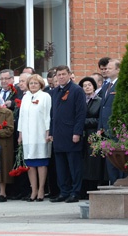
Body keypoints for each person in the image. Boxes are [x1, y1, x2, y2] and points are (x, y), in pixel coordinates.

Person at [49, 66, 86, 203]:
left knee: (74, 166)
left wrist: (77, 132)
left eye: (64, 74)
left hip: (71, 134)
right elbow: (53, 114)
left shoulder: (76, 90)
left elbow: (80, 114)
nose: (61, 77)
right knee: (61, 166)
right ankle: (64, 191)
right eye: (59, 75)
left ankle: (75, 192)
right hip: (58, 134)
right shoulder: (55, 91)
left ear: (70, 75)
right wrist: (51, 132)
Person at [18, 74, 52, 201]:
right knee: (30, 164)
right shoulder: (26, 97)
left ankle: (42, 189)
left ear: (41, 85)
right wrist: (20, 134)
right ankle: (34, 189)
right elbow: (21, 116)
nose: (33, 85)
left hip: (40, 133)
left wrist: (48, 132)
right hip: (27, 135)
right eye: (31, 83)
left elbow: (48, 115)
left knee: (41, 162)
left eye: (35, 83)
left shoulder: (45, 97)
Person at [96, 59, 124, 185]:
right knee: (110, 159)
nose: (106, 70)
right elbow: (103, 108)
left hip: (117, 128)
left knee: (119, 158)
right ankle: (113, 183)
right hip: (107, 129)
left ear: (118, 70)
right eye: (106, 68)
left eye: (109, 68)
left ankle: (120, 183)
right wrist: (100, 127)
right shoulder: (107, 86)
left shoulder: (122, 84)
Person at [78, 76, 103, 198]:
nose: (87, 87)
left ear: (94, 87)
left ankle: (93, 188)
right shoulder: (80, 101)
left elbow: (100, 119)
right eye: (84, 86)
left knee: (93, 163)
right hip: (81, 135)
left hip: (93, 134)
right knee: (82, 163)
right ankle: (82, 190)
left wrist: (84, 122)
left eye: (89, 85)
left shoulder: (99, 101)